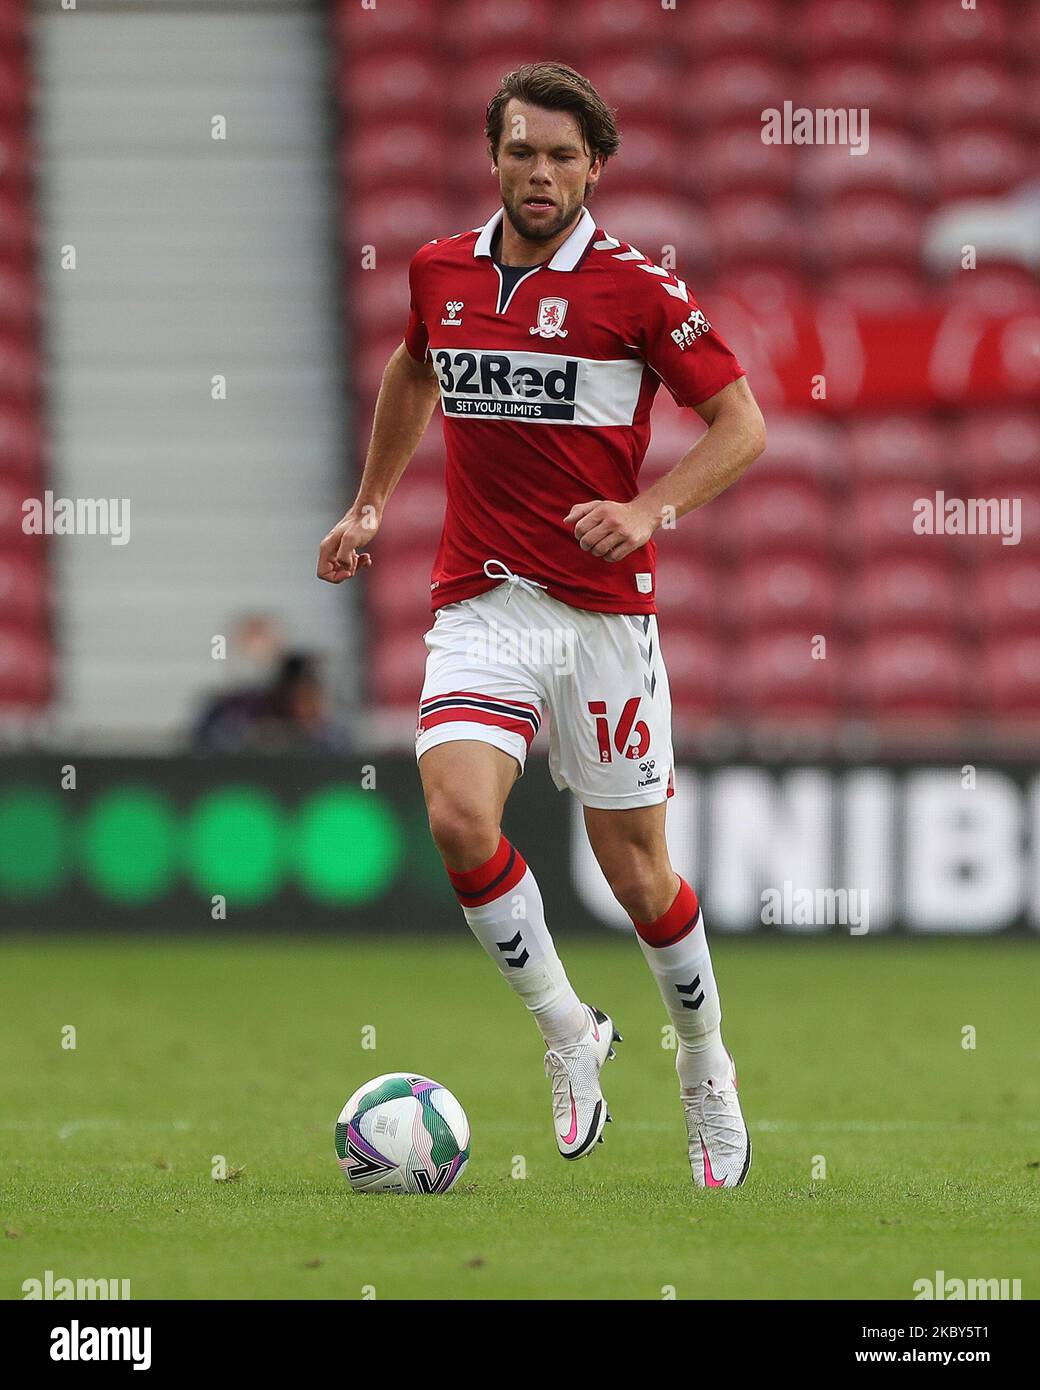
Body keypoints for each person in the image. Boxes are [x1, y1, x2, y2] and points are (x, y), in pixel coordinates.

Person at [318, 62, 765, 1187]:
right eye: (521, 150)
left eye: (563, 156)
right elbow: (414, 373)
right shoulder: (440, 270)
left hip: (603, 622)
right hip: (484, 597)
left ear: (594, 170)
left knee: (638, 878)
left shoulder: (638, 291)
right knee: (460, 815)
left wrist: (647, 506)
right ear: (494, 155)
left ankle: (703, 1063)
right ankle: (568, 1030)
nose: (539, 172)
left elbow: (741, 424)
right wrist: (370, 502)